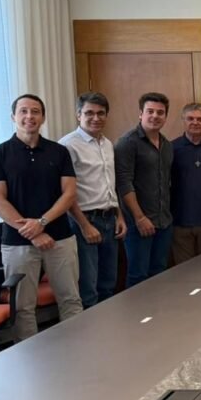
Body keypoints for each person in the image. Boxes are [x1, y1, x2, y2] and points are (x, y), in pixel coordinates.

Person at [0, 94, 83, 340]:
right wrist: (34, 233)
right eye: (24, 111)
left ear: (43, 117)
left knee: (71, 300)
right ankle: (30, 359)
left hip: (60, 238)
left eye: (35, 111)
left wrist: (41, 223)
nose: (29, 116)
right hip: (17, 243)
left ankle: (78, 351)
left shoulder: (59, 152)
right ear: (13, 116)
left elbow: (69, 194)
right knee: (22, 308)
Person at [59, 92, 126, 309]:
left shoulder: (107, 144)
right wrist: (85, 225)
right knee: (89, 287)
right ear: (78, 115)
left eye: (101, 113)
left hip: (109, 219)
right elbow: (65, 193)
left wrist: (119, 216)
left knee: (108, 283)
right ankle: (91, 330)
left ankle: (108, 327)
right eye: (89, 113)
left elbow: (110, 185)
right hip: (84, 221)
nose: (95, 118)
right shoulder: (67, 146)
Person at [116, 92, 173, 287]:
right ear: (141, 113)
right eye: (150, 111)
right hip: (137, 223)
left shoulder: (167, 145)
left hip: (163, 221)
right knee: (138, 276)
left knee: (159, 273)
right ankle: (135, 309)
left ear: (165, 116)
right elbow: (123, 183)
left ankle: (158, 308)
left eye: (160, 112)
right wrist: (140, 218)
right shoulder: (127, 143)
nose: (155, 116)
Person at [170, 103, 201, 265]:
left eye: (200, 119)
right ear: (183, 121)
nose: (195, 122)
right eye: (190, 118)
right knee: (183, 270)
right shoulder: (170, 148)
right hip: (179, 221)